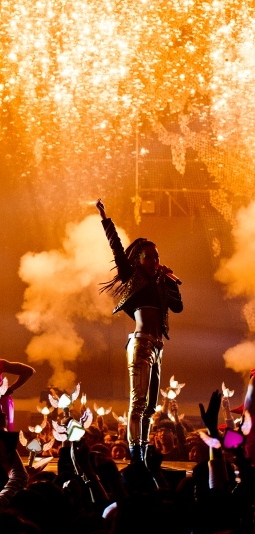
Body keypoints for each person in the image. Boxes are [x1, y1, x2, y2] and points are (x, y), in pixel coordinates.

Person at [96, 198, 183, 464]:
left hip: (158, 346)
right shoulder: (133, 277)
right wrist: (105, 218)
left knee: (151, 407)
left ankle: (144, 449)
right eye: (149, 256)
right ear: (139, 259)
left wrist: (170, 281)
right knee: (138, 401)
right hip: (141, 343)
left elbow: (178, 307)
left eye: (157, 256)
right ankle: (136, 453)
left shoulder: (161, 283)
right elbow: (117, 248)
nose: (154, 260)